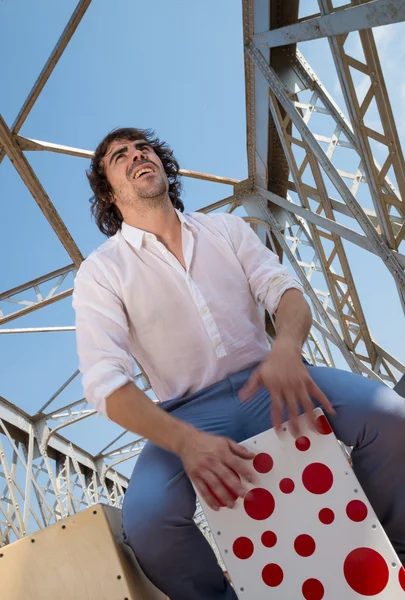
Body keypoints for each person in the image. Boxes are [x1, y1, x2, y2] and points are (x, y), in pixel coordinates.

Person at [73, 127, 405, 600]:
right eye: (119, 157)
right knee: (147, 522)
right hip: (184, 416)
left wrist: (287, 346)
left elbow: (285, 292)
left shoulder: (226, 229)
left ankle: (396, 554)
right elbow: (105, 384)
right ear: (109, 191)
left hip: (269, 382)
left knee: (390, 416)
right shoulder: (102, 272)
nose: (136, 156)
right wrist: (186, 443)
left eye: (142, 148)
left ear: (161, 164)